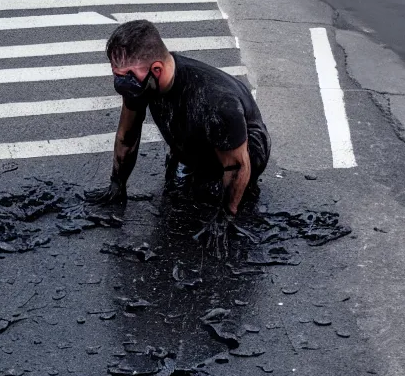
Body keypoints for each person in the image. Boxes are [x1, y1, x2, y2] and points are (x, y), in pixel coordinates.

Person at [86, 20, 271, 252]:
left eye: (128, 76)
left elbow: (236, 165)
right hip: (196, 139)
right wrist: (117, 184)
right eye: (118, 75)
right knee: (182, 185)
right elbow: (127, 135)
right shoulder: (141, 82)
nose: (122, 83)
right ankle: (192, 164)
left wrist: (225, 217)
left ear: (157, 70)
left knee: (207, 192)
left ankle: (224, 187)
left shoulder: (216, 101)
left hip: (243, 151)